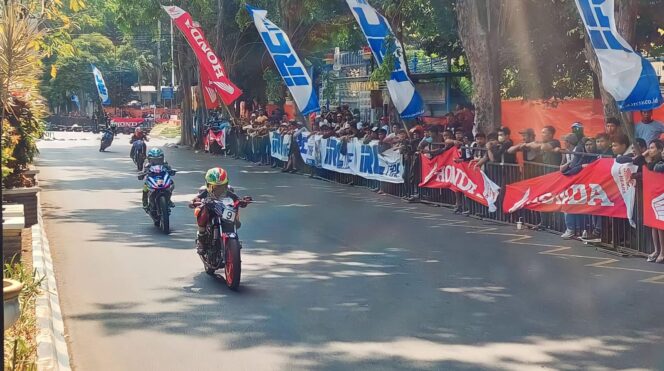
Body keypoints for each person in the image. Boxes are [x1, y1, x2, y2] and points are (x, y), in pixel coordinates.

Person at [189, 167, 249, 255]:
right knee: (203, 211)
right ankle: (201, 239)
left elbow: (236, 199)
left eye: (221, 187)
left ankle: (233, 235)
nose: (218, 189)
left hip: (224, 212)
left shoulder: (229, 191)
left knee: (236, 220)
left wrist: (242, 202)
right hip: (210, 211)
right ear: (208, 185)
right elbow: (196, 198)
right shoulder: (204, 191)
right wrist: (193, 202)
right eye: (215, 187)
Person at [644, 140, 664, 263]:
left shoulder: (660, 163)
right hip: (656, 195)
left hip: (661, 195)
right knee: (654, 223)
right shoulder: (656, 160)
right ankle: (657, 250)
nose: (650, 150)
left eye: (652, 148)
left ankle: (662, 251)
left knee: (660, 224)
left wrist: (647, 161)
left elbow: (655, 167)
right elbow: (637, 160)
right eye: (649, 148)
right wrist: (645, 154)